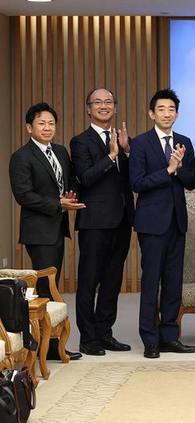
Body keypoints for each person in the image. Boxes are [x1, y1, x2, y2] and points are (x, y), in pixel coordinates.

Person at [9, 102, 85, 361]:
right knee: (44, 288)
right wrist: (58, 204)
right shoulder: (21, 156)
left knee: (52, 285)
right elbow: (24, 195)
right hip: (39, 231)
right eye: (41, 123)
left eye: (51, 123)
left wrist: (71, 196)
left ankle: (50, 344)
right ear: (29, 128)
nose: (47, 128)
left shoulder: (60, 151)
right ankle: (45, 347)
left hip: (57, 227)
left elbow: (69, 181)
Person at [129, 88, 195, 359]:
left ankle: (170, 336)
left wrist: (179, 169)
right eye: (161, 109)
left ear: (177, 114)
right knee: (151, 281)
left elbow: (192, 181)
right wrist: (167, 170)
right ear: (151, 113)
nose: (167, 114)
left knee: (173, 282)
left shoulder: (184, 142)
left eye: (171, 109)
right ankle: (150, 339)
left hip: (177, 222)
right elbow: (137, 183)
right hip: (151, 224)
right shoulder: (140, 143)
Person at [70, 88, 135, 356]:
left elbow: (134, 178)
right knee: (89, 281)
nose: (103, 106)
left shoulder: (123, 140)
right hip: (94, 221)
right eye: (97, 102)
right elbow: (85, 178)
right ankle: (88, 339)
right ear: (89, 109)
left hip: (122, 219)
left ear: (115, 108)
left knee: (112, 281)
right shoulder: (80, 142)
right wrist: (111, 156)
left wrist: (127, 151)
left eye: (108, 102)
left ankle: (104, 333)